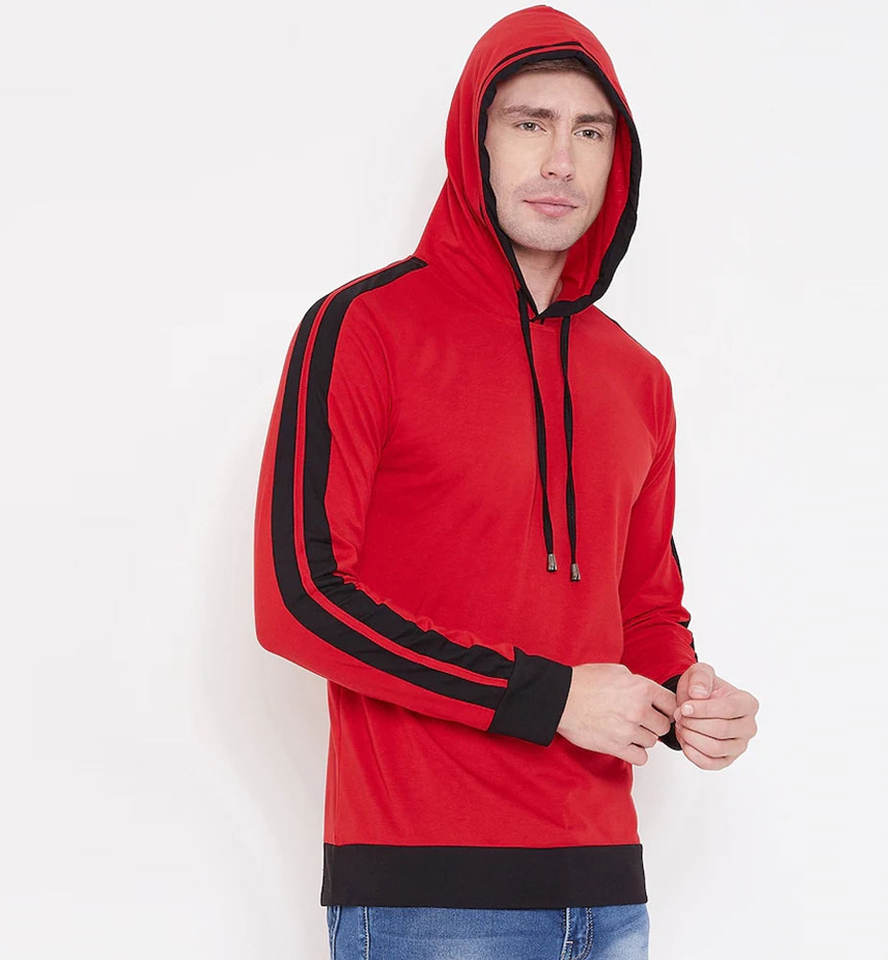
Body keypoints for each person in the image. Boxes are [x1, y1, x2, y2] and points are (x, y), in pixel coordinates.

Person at [253, 5, 760, 958]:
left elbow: (646, 608)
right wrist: (551, 699)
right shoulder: (362, 330)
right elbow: (299, 599)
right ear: (474, 141)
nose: (561, 160)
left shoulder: (637, 378)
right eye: (531, 123)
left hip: (608, 891)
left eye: (591, 132)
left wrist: (689, 694)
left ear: (617, 161)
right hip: (427, 893)